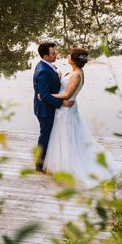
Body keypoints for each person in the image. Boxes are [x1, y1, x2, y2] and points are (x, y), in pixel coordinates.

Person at [43, 48, 118, 187]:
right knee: (65, 136)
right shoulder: (73, 72)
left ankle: (69, 167)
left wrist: (46, 95)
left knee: (67, 137)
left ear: (74, 59)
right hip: (64, 109)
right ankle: (62, 164)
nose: (67, 56)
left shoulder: (77, 75)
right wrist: (60, 78)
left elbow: (66, 95)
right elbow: (66, 88)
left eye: (70, 55)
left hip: (67, 111)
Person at [33, 42, 74, 172]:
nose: (56, 55)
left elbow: (47, 88)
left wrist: (57, 77)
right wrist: (62, 103)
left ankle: (46, 160)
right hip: (45, 110)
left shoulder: (47, 66)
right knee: (45, 136)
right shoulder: (42, 71)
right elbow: (44, 95)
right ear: (45, 56)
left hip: (47, 106)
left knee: (49, 135)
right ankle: (39, 165)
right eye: (53, 53)